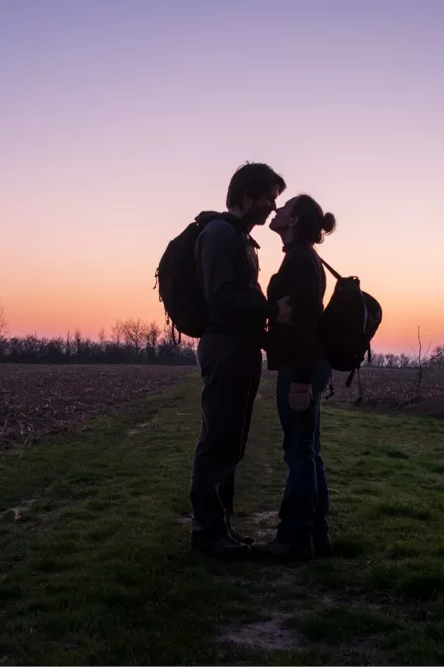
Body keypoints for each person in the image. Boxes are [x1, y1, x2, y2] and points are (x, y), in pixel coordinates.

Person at [189, 162, 293, 559]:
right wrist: (271, 310)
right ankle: (206, 533)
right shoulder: (218, 234)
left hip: (241, 349)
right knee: (218, 440)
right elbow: (222, 295)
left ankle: (220, 529)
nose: (272, 206)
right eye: (268, 196)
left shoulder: (240, 239)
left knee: (231, 441)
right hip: (226, 349)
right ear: (246, 196)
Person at [254, 194, 337, 561]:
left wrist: (301, 380)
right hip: (306, 364)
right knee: (309, 451)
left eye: (284, 208)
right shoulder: (303, 258)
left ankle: (294, 539)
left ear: (295, 220)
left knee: (299, 453)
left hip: (301, 366)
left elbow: (303, 325)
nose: (276, 210)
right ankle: (317, 535)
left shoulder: (302, 261)